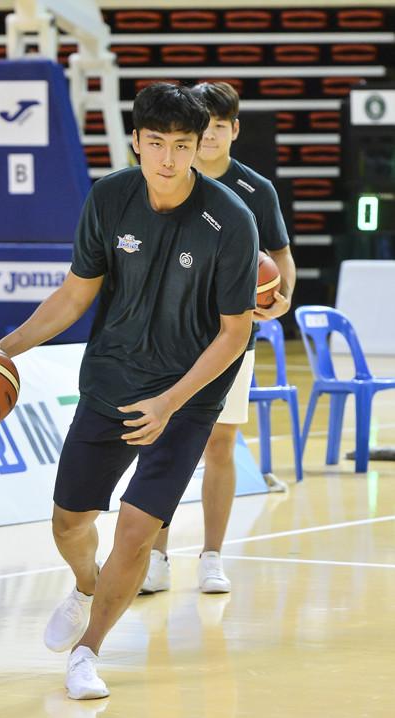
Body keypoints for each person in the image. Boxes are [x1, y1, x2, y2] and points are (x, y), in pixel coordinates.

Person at [0, 83, 258, 699]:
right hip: (111, 381)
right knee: (69, 523)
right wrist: (2, 350)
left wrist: (170, 403)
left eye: (183, 146)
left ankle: (87, 652)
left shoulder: (232, 220)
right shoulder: (109, 198)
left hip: (185, 400)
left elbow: (234, 333)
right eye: (157, 143)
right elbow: (74, 294)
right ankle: (85, 586)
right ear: (136, 141)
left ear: (198, 147)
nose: (169, 159)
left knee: (137, 532)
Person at [141, 81, 296, 596]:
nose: (209, 136)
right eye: (202, 127)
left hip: (232, 336)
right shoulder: (162, 182)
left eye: (219, 127)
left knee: (220, 444)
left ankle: (211, 556)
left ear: (234, 130)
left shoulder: (254, 190)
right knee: (161, 442)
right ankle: (156, 556)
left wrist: (282, 297)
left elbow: (280, 257)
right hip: (169, 336)